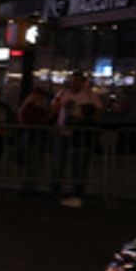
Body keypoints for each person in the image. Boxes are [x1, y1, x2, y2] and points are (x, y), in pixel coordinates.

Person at [51, 72, 103, 207]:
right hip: (63, 132)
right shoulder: (63, 93)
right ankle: (55, 189)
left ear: (83, 82)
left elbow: (98, 113)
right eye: (73, 81)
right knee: (58, 162)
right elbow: (54, 109)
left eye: (78, 81)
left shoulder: (90, 95)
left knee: (79, 164)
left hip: (80, 135)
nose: (75, 84)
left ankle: (77, 191)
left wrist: (85, 117)